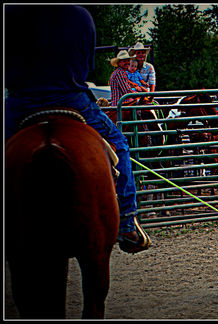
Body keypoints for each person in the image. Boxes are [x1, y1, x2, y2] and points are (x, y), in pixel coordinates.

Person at [5, 5, 150, 253]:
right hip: (72, 99)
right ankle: (126, 221)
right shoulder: (79, 16)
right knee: (121, 146)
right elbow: (84, 68)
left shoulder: (12, 14)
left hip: (23, 101)